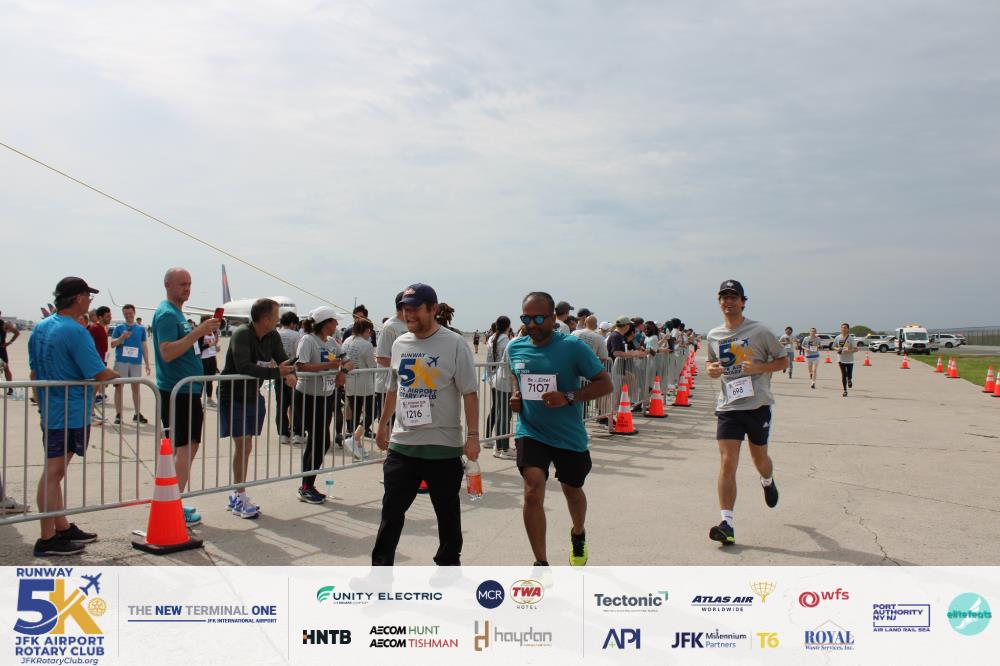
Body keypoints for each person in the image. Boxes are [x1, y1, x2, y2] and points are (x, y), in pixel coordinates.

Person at [372, 283, 478, 566]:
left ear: (433, 309)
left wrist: (473, 436)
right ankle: (380, 569)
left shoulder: (454, 343)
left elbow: (469, 392)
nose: (409, 314)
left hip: (442, 446)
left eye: (415, 308)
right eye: (405, 308)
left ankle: (448, 566)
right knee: (391, 511)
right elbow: (393, 389)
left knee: (447, 514)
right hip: (403, 445)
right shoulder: (400, 343)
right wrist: (382, 424)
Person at [507, 292, 612, 566]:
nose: (531, 324)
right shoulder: (515, 347)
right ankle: (541, 564)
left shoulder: (572, 347)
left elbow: (605, 383)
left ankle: (578, 533)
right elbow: (518, 377)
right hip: (531, 431)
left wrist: (568, 396)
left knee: (572, 490)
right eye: (526, 318)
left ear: (553, 318)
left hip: (568, 435)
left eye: (538, 318)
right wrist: (517, 396)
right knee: (532, 491)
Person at [28, 277, 118, 555]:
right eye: (88, 296)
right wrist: (117, 375)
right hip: (69, 411)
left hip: (51, 408)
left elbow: (34, 371)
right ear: (78, 298)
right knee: (53, 473)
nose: (90, 301)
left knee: (55, 472)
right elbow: (98, 371)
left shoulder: (41, 327)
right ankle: (47, 538)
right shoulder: (75, 331)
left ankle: (61, 526)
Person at [705, 280, 787, 546]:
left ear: (743, 302)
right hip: (729, 406)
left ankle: (767, 480)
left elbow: (783, 360)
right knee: (728, 462)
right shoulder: (714, 335)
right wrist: (711, 370)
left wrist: (759, 368)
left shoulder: (760, 331)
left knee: (759, 459)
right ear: (719, 302)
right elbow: (711, 363)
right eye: (724, 297)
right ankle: (726, 523)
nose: (728, 301)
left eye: (734, 297)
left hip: (757, 406)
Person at [153, 267, 220, 527]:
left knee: (186, 446)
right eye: (182, 284)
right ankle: (172, 505)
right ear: (167, 285)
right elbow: (167, 352)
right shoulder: (167, 314)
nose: (187, 288)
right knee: (185, 447)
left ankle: (173, 500)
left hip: (186, 390)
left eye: (189, 283)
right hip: (178, 391)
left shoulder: (176, 313)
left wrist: (200, 335)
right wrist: (197, 332)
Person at [217, 299, 296, 518]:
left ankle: (237, 492)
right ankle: (239, 495)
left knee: (247, 446)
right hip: (233, 395)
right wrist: (277, 373)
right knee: (242, 444)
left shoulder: (272, 336)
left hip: (253, 395)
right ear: (265, 318)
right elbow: (244, 366)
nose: (278, 319)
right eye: (276, 315)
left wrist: (290, 373)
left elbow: (283, 360)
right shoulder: (242, 334)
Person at [294, 309, 351, 503]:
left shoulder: (332, 342)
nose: (337, 325)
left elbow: (348, 362)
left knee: (317, 442)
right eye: (334, 321)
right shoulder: (308, 340)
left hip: (326, 396)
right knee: (321, 441)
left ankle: (307, 485)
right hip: (308, 397)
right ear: (325, 323)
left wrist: (342, 371)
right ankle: (306, 486)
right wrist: (328, 366)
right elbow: (301, 366)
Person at [110, 304, 151, 425]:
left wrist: (147, 363)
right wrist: (122, 337)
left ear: (134, 313)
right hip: (121, 361)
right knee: (119, 387)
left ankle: (137, 413)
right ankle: (118, 414)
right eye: (126, 314)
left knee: (136, 388)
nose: (128, 315)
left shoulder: (141, 329)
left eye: (130, 313)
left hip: (135, 362)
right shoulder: (119, 328)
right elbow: (112, 344)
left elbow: (144, 346)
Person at [485, 315, 514, 458]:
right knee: (504, 414)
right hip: (503, 379)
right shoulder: (506, 341)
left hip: (493, 378)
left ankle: (496, 445)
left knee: (497, 411)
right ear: (508, 326)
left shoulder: (491, 338)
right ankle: (503, 448)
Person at [343, 318, 377, 439]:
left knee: (355, 413)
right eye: (369, 331)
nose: (370, 334)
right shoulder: (366, 344)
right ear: (366, 330)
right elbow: (372, 365)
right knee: (372, 412)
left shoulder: (346, 341)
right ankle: (356, 437)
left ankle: (353, 439)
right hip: (364, 385)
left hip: (350, 382)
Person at [277, 311, 303, 445]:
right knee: (296, 404)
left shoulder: (276, 334)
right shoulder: (296, 335)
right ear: (293, 323)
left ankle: (283, 433)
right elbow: (299, 355)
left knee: (281, 404)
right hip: (293, 372)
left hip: (278, 372)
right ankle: (298, 433)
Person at [196, 314, 221, 408]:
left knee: (210, 380)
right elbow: (199, 348)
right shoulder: (200, 333)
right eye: (209, 321)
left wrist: (216, 348)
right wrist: (210, 345)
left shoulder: (213, 332)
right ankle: (198, 400)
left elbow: (214, 344)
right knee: (202, 380)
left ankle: (209, 399)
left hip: (212, 358)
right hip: (203, 359)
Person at [834, 322, 858, 397]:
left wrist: (848, 350)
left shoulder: (851, 338)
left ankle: (849, 380)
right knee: (844, 374)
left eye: (845, 328)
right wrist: (837, 349)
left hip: (849, 359)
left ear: (848, 329)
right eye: (842, 327)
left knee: (849, 375)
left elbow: (856, 349)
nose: (843, 329)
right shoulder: (837, 337)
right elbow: (834, 346)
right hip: (840, 359)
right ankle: (845, 390)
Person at [0, 310, 20, 386]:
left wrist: (9, 342)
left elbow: (16, 332)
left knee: (6, 368)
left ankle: (10, 387)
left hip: (1, 350)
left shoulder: (4, 324)